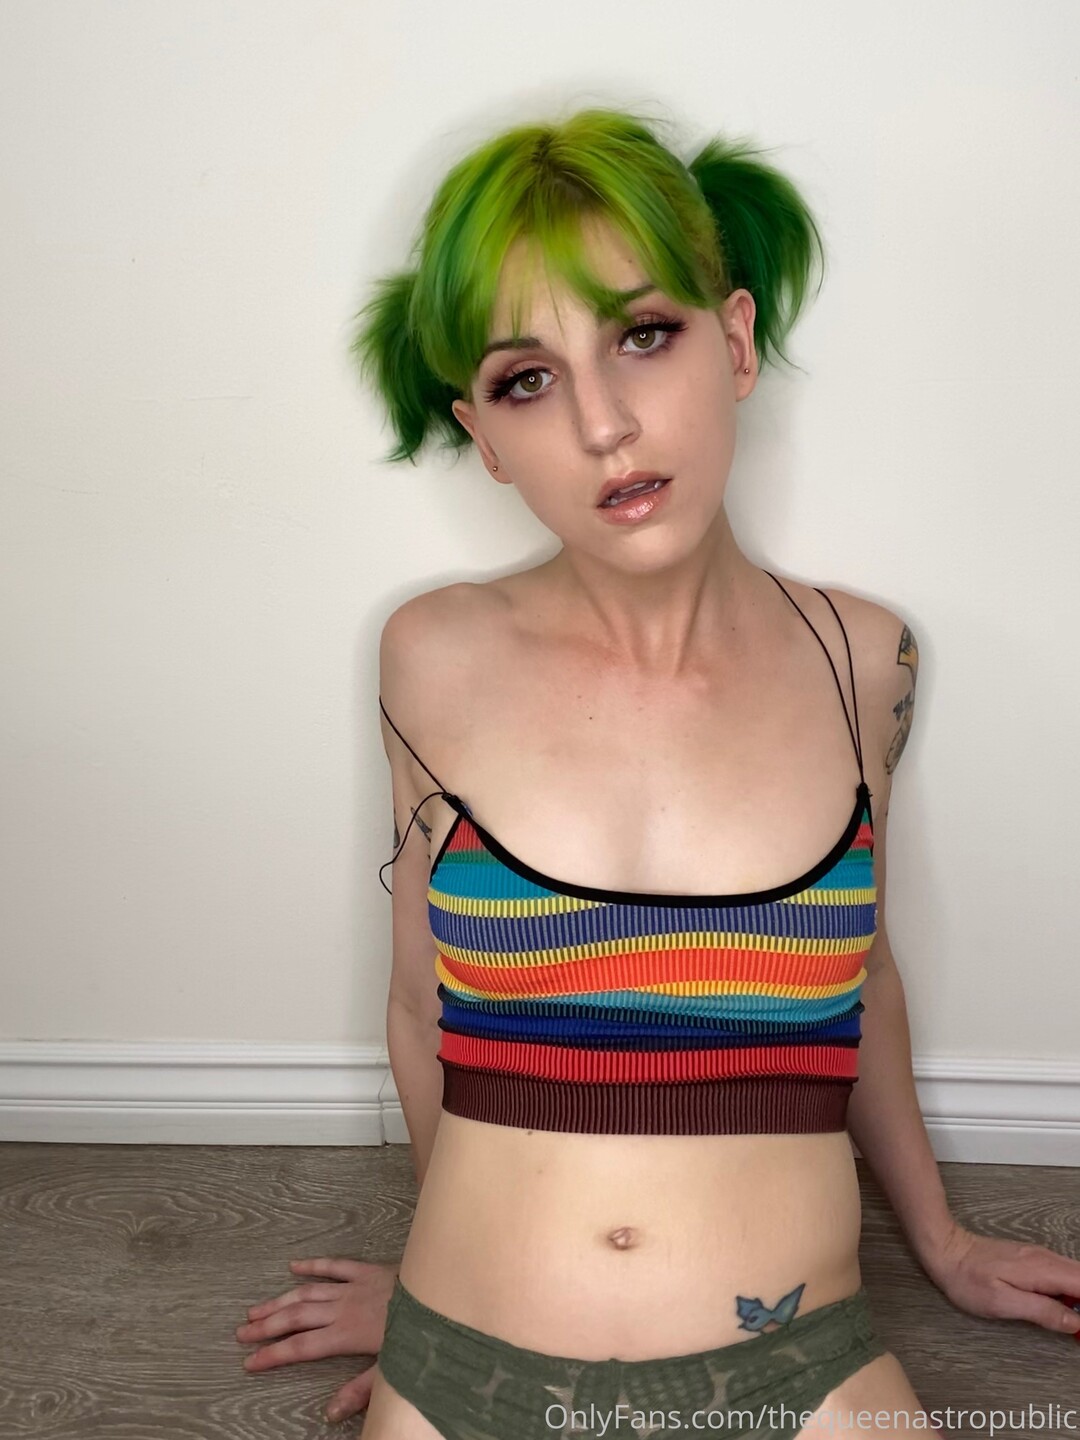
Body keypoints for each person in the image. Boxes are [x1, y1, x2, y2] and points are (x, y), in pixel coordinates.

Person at [234, 106, 1080, 1436]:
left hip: (795, 1365)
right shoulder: (430, 657)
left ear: (734, 343)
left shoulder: (866, 660)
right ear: (485, 437)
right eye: (528, 380)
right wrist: (429, 1282)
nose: (606, 424)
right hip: (468, 1363)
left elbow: (861, 980)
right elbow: (418, 1004)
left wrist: (946, 1240)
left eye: (642, 334)